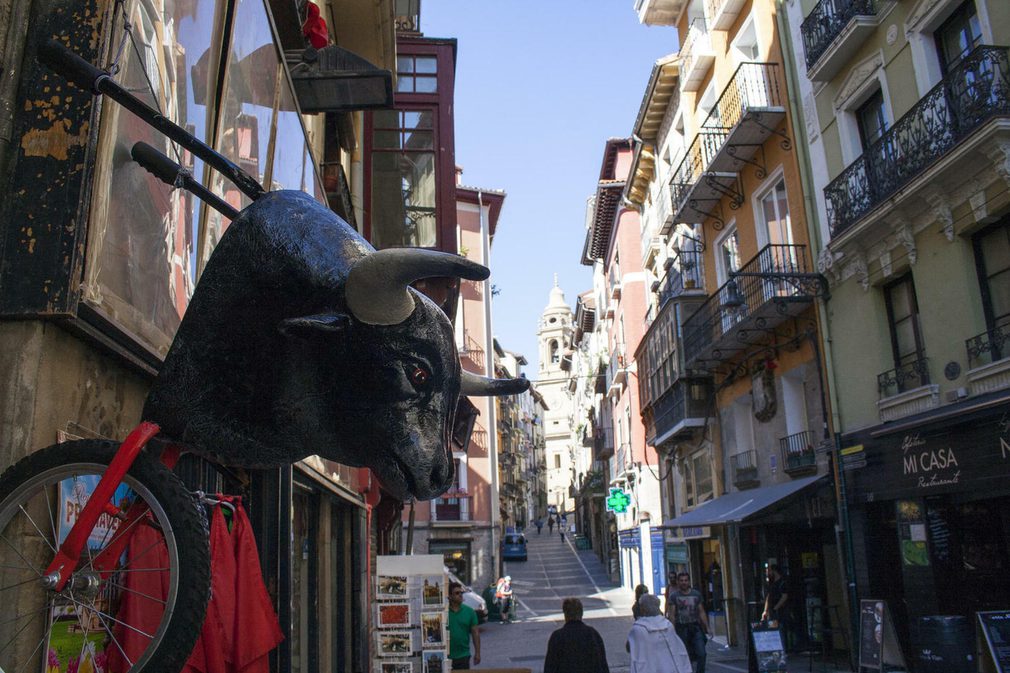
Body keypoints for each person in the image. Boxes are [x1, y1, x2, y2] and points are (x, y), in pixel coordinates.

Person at [628, 594, 693, 673]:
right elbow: (678, 650)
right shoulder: (668, 625)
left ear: (643, 609)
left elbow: (634, 651)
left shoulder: (638, 629)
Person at [543, 597, 609, 673]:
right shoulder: (592, 634)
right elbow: (602, 666)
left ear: (565, 615)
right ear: (582, 613)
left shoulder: (557, 637)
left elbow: (550, 668)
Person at [666, 571, 711, 673]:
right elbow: (672, 615)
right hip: (681, 628)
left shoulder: (696, 594)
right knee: (685, 654)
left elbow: (701, 612)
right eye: (681, 580)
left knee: (702, 653)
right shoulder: (674, 596)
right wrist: (672, 631)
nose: (684, 582)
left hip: (695, 627)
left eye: (686, 580)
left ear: (689, 581)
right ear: (678, 582)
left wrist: (707, 627)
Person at [447, 581, 480, 670]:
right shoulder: (444, 613)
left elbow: (475, 633)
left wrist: (477, 653)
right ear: (450, 596)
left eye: (461, 592)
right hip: (446, 657)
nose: (460, 595)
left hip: (463, 656)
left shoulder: (470, 612)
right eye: (457, 593)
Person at [761, 564, 790, 646]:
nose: (767, 573)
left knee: (781, 630)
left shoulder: (782, 582)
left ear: (774, 571)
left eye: (769, 571)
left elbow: (784, 596)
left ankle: (784, 648)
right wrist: (765, 611)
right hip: (773, 611)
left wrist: (775, 608)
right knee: (774, 630)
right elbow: (768, 597)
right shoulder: (771, 583)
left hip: (780, 611)